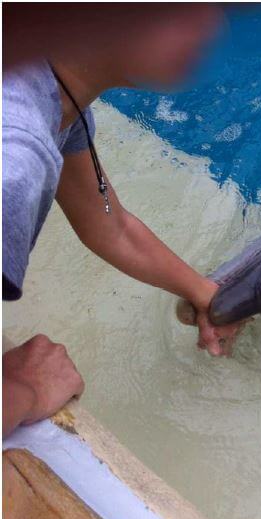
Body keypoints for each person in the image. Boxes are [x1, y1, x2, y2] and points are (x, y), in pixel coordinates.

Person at [2, 5, 245, 437]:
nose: (213, 27)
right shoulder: (16, 155)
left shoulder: (54, 93)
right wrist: (25, 390)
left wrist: (204, 294)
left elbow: (111, 226)